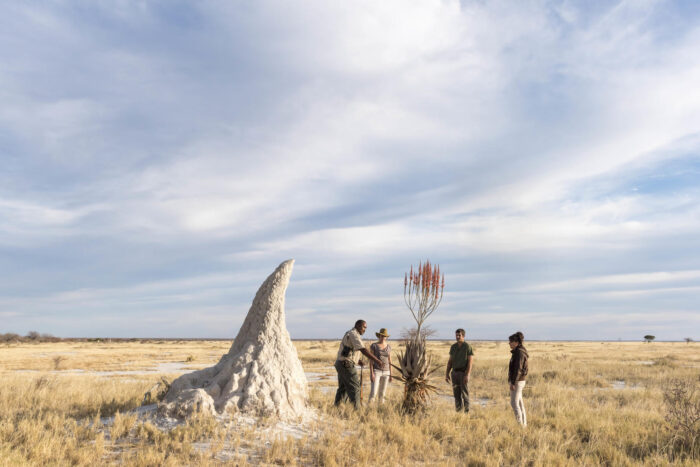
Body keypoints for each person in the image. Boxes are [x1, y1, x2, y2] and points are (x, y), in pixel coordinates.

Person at [334, 319, 383, 408]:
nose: (365, 329)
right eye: (364, 327)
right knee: (355, 387)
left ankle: (337, 407)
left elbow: (349, 350)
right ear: (358, 326)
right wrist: (377, 361)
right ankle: (357, 410)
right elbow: (363, 349)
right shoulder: (354, 334)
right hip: (346, 364)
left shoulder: (349, 333)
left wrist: (358, 361)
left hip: (340, 363)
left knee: (343, 388)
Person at [445, 328, 474, 412]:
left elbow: (470, 362)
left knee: (464, 394)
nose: (457, 337)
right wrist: (447, 374)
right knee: (456, 395)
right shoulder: (453, 347)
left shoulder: (467, 347)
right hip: (454, 373)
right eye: (456, 335)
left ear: (463, 336)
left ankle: (466, 413)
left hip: (463, 373)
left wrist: (467, 374)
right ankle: (458, 412)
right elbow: (450, 362)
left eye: (459, 335)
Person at [508, 331, 528, 427]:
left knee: (514, 403)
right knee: (519, 403)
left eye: (511, 341)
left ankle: (520, 426)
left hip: (518, 381)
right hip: (520, 380)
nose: (509, 343)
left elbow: (518, 369)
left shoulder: (519, 353)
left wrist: (513, 382)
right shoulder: (519, 351)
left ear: (516, 342)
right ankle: (523, 425)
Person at [369, 328, 392, 403]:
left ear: (386, 337)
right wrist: (371, 373)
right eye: (381, 336)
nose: (383, 337)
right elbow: (371, 360)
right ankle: (369, 410)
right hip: (376, 371)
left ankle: (380, 410)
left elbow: (390, 360)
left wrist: (391, 374)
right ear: (379, 336)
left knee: (382, 394)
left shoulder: (388, 347)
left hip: (386, 372)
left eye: (384, 336)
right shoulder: (374, 346)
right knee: (373, 393)